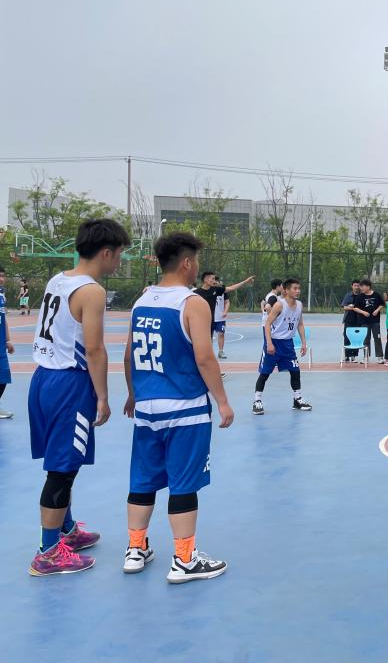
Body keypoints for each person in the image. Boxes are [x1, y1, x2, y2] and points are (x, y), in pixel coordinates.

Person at [122, 232, 234, 582]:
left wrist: (132, 394)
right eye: (196, 261)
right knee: (184, 483)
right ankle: (184, 559)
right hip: (184, 408)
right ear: (187, 263)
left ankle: (135, 549)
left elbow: (128, 356)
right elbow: (204, 357)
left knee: (143, 479)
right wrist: (223, 401)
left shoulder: (142, 302)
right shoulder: (192, 303)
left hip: (147, 409)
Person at [28, 218, 130, 576]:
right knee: (61, 470)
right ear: (107, 253)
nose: (120, 261)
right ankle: (48, 552)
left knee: (64, 462)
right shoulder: (92, 291)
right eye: (120, 254)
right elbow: (94, 349)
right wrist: (102, 396)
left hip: (43, 378)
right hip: (69, 385)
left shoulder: (59, 279)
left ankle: (66, 530)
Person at [252, 279, 311, 414]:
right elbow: (267, 324)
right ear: (286, 290)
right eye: (295, 288)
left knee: (295, 371)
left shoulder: (300, 305)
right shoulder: (279, 305)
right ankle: (257, 401)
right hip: (274, 343)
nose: (298, 291)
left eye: (299, 288)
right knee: (265, 373)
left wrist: (303, 343)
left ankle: (297, 399)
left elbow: (300, 324)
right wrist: (269, 343)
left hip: (288, 344)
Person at [359, 279, 386, 364]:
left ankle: (380, 357)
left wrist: (377, 310)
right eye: (361, 286)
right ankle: (366, 357)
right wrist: (363, 312)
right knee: (366, 339)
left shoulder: (376, 294)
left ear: (368, 287)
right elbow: (355, 307)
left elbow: (382, 304)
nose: (361, 288)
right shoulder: (360, 296)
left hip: (375, 321)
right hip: (364, 321)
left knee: (377, 338)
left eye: (363, 286)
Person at [0, 267, 14, 419]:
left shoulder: (1, 295)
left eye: (3, 276)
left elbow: (3, 318)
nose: (1, 279)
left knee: (3, 376)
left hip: (1, 343)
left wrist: (8, 339)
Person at [342, 279, 364, 362]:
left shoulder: (362, 296)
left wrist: (356, 308)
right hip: (348, 319)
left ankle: (354, 355)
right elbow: (344, 307)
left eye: (358, 286)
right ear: (352, 286)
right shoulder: (348, 296)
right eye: (355, 285)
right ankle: (347, 356)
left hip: (358, 320)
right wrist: (351, 307)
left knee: (356, 338)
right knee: (347, 337)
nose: (356, 287)